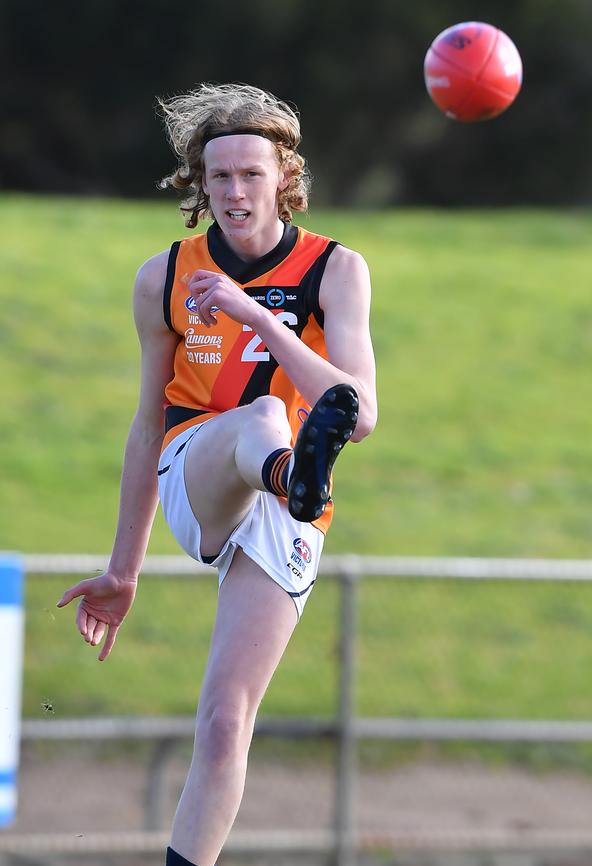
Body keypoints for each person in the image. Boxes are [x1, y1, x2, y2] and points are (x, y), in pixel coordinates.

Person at [57, 83, 377, 866]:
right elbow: (142, 428)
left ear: (284, 177)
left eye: (251, 175)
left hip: (290, 510)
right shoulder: (163, 277)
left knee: (226, 720)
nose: (234, 192)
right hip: (195, 468)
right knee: (267, 421)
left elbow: (359, 411)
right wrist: (121, 569)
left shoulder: (335, 269)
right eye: (219, 176)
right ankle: (289, 471)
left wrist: (259, 316)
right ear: (199, 185)